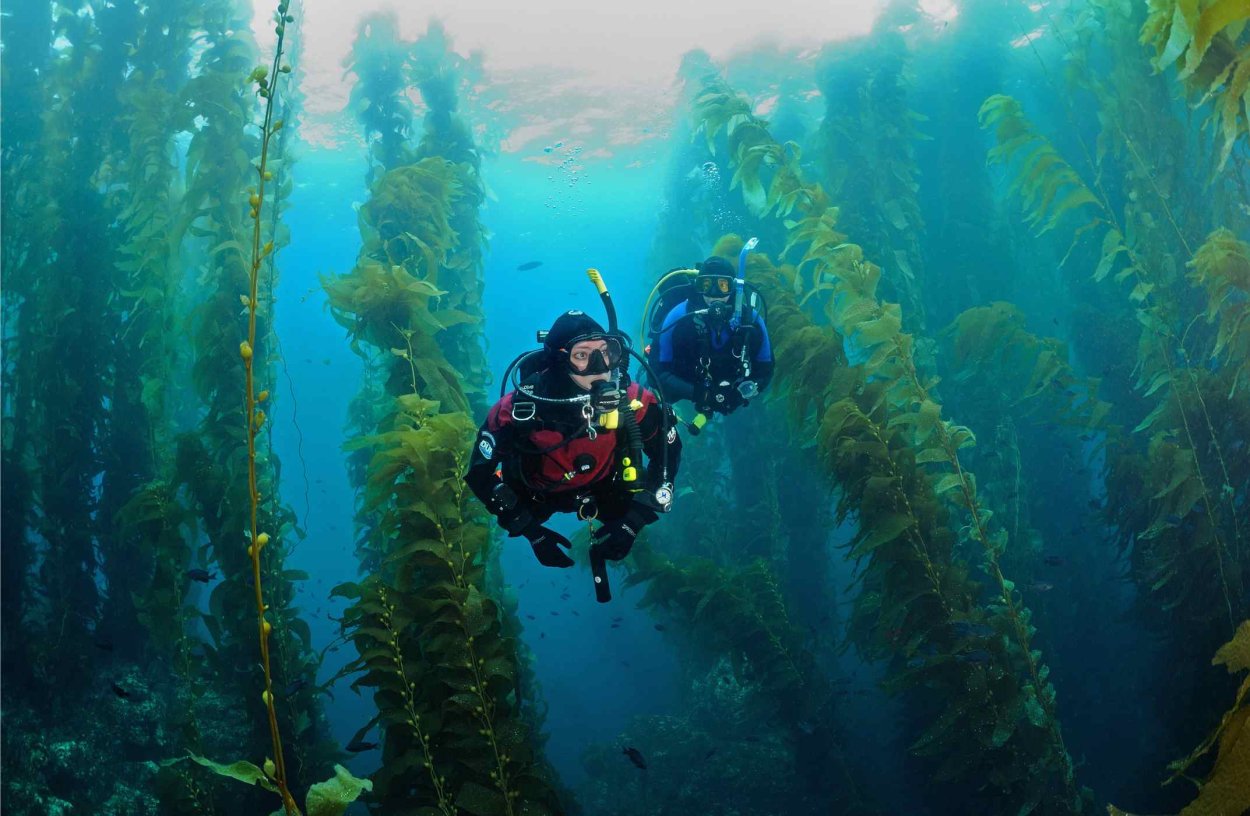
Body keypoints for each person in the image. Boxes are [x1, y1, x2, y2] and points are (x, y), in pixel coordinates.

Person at [464, 308, 681, 574]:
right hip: (537, 497)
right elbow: (479, 474)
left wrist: (631, 524)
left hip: (607, 488)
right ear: (558, 362)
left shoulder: (633, 401)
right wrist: (530, 531)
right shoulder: (517, 410)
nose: (600, 368)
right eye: (582, 355)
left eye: (606, 352)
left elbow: (668, 452)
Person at [654, 255, 774, 418]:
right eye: (707, 285)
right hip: (689, 383)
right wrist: (698, 394)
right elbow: (658, 371)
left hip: (733, 388)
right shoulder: (678, 316)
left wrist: (740, 395)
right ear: (698, 286)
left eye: (723, 285)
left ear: (733, 287)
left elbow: (766, 370)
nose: (714, 294)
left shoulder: (750, 320)